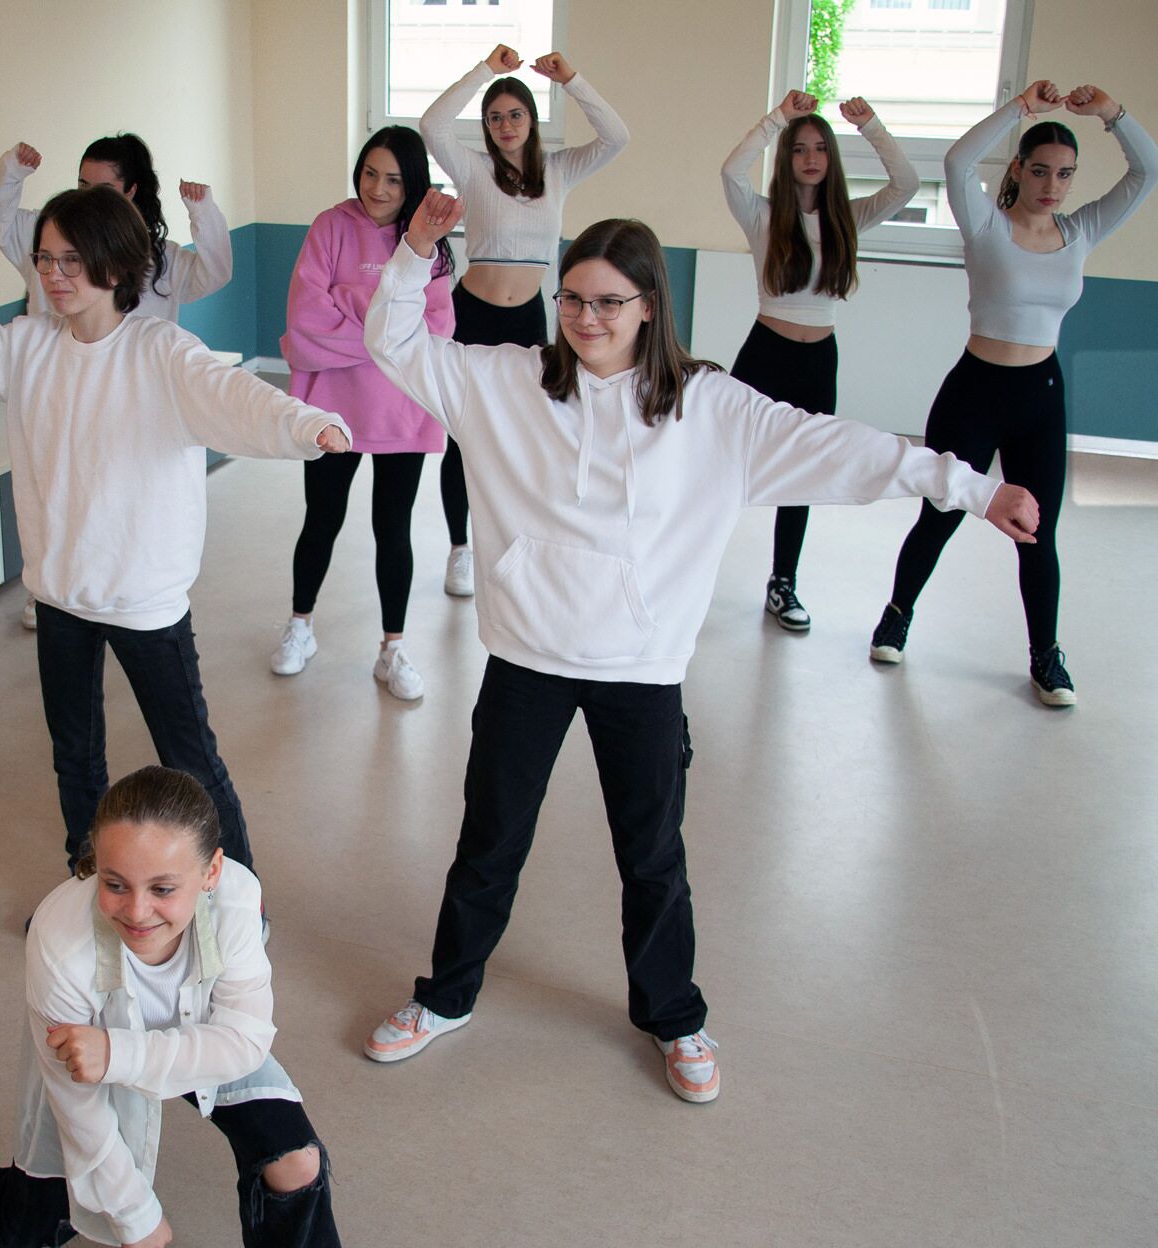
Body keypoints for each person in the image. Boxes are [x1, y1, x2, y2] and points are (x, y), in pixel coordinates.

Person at [359, 196, 1039, 1102]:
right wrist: (412, 253)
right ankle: (445, 997)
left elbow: (841, 448)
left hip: (640, 672)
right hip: (527, 657)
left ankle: (674, 1015)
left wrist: (968, 486)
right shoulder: (505, 380)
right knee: (489, 840)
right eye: (572, 299)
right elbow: (394, 344)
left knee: (651, 856)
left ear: (649, 305)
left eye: (608, 302)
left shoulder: (710, 408)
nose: (586, 318)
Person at [0, 182, 349, 875]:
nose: (52, 274)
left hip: (144, 600)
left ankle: (238, 897)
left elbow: (235, 396)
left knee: (189, 758)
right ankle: (90, 881)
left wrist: (306, 424)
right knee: (75, 757)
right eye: (45, 258)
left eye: (71, 260)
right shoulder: (28, 346)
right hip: (60, 595)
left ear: (113, 264)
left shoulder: (161, 351)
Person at [0, 766, 338, 1248]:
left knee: (295, 1161)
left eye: (162, 888)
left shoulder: (237, 899)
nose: (136, 912)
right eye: (114, 884)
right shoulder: (59, 944)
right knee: (36, 1219)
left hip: (181, 1042)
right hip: (93, 1059)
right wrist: (139, 1220)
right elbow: (79, 1112)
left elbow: (244, 1041)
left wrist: (118, 1054)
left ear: (211, 873)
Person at [871, 79, 1154, 706]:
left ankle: (1045, 656)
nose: (1053, 185)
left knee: (1037, 531)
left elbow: (1147, 171)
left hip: (1040, 397)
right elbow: (956, 162)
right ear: (1021, 171)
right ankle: (896, 615)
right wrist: (1020, 108)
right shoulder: (986, 225)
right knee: (941, 512)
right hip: (975, 390)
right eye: (1042, 171)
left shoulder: (1080, 232)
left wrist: (1111, 112)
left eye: (1065, 175)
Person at [0, 133, 234, 631]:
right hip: (57, 391)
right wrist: (12, 170)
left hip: (134, 403)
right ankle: (51, 588)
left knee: (118, 499)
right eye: (81, 184)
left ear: (132, 191)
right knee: (57, 491)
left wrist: (204, 213)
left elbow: (216, 272)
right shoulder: (47, 237)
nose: (89, 196)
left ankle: (121, 591)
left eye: (104, 187)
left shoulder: (157, 258)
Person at [420, 43, 628, 598]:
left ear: (531, 120)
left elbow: (617, 137)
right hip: (473, 316)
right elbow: (432, 123)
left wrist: (573, 79)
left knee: (531, 431)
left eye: (515, 114)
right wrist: (486, 70)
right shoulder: (473, 169)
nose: (505, 125)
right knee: (462, 435)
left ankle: (520, 537)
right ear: (486, 128)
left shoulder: (558, 170)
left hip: (530, 320)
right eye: (494, 117)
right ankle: (460, 549)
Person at [722, 90, 919, 631]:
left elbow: (907, 185)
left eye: (819, 149)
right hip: (765, 353)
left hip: (817, 361)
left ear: (831, 160)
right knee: (721, 459)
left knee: (801, 476)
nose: (810, 157)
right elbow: (731, 170)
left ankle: (782, 582)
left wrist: (872, 126)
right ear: (786, 160)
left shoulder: (847, 219)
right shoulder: (761, 215)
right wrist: (777, 119)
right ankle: (685, 553)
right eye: (799, 149)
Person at [270, 125, 455, 700]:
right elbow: (304, 321)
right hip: (332, 408)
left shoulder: (429, 241)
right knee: (321, 518)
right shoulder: (330, 226)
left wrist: (350, 309)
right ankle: (299, 626)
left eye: (394, 179)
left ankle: (392, 649)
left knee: (392, 528)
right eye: (370, 172)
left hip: (402, 410)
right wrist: (382, 331)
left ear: (413, 184)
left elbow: (436, 329)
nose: (378, 188)